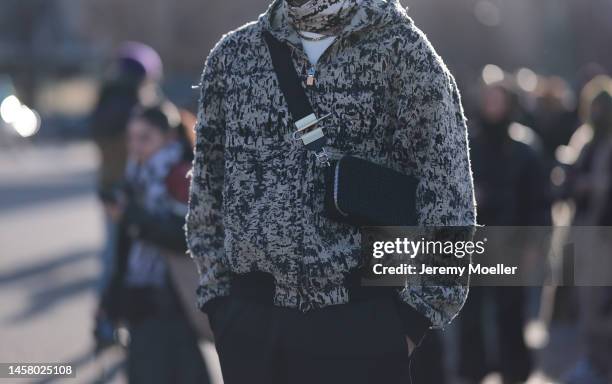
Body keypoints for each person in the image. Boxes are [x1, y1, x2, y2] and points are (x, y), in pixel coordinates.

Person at [186, 1, 476, 383]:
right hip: (250, 324)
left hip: (362, 322)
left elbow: (449, 197)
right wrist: (219, 302)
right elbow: (207, 187)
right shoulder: (233, 56)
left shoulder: (403, 52)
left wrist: (412, 320)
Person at [100, 105, 210, 384]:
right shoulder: (136, 175)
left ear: (169, 137)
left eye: (144, 138)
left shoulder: (183, 176)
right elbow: (124, 248)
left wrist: (131, 216)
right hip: (141, 298)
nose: (135, 146)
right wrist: (111, 299)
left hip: (172, 299)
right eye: (131, 138)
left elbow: (184, 237)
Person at [458, 81, 551, 384]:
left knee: (510, 315)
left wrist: (535, 246)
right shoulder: (469, 144)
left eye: (498, 99)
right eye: (488, 99)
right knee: (469, 314)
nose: (491, 105)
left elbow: (538, 202)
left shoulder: (525, 149)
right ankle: (472, 371)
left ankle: (515, 373)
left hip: (511, 242)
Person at [563, 76, 612, 384]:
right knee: (587, 303)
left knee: (601, 305)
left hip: (604, 231)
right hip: (584, 230)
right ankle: (593, 361)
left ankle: (601, 364)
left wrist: (591, 185)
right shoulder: (584, 139)